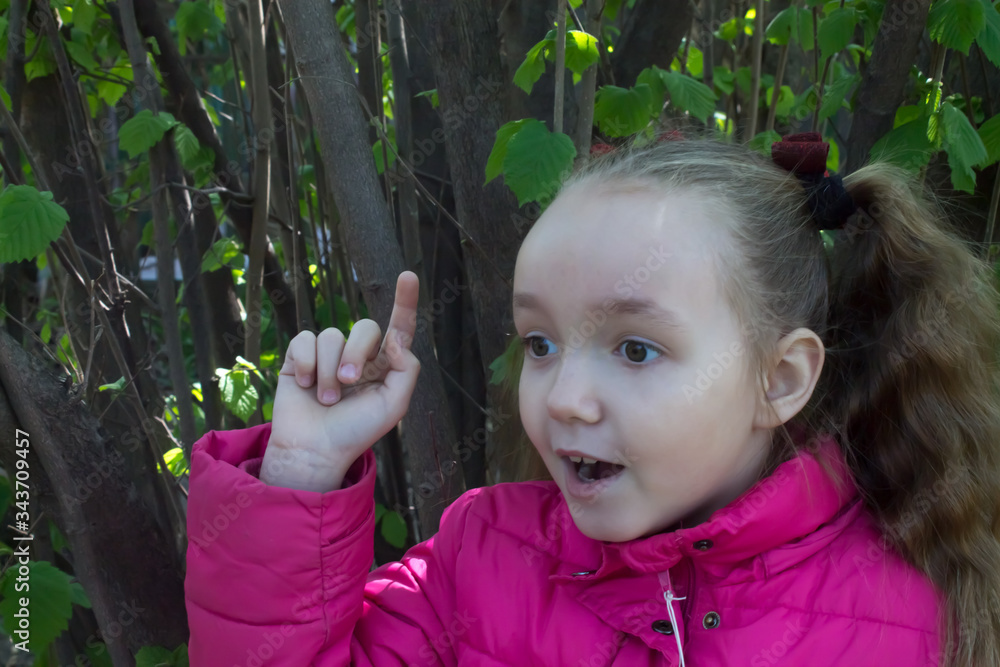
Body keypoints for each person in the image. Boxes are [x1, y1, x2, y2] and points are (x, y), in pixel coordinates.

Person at [183, 131, 1000, 666]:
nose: (564, 397)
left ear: (779, 379)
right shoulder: (479, 562)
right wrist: (301, 468)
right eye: (540, 343)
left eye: (635, 348)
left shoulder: (916, 605)